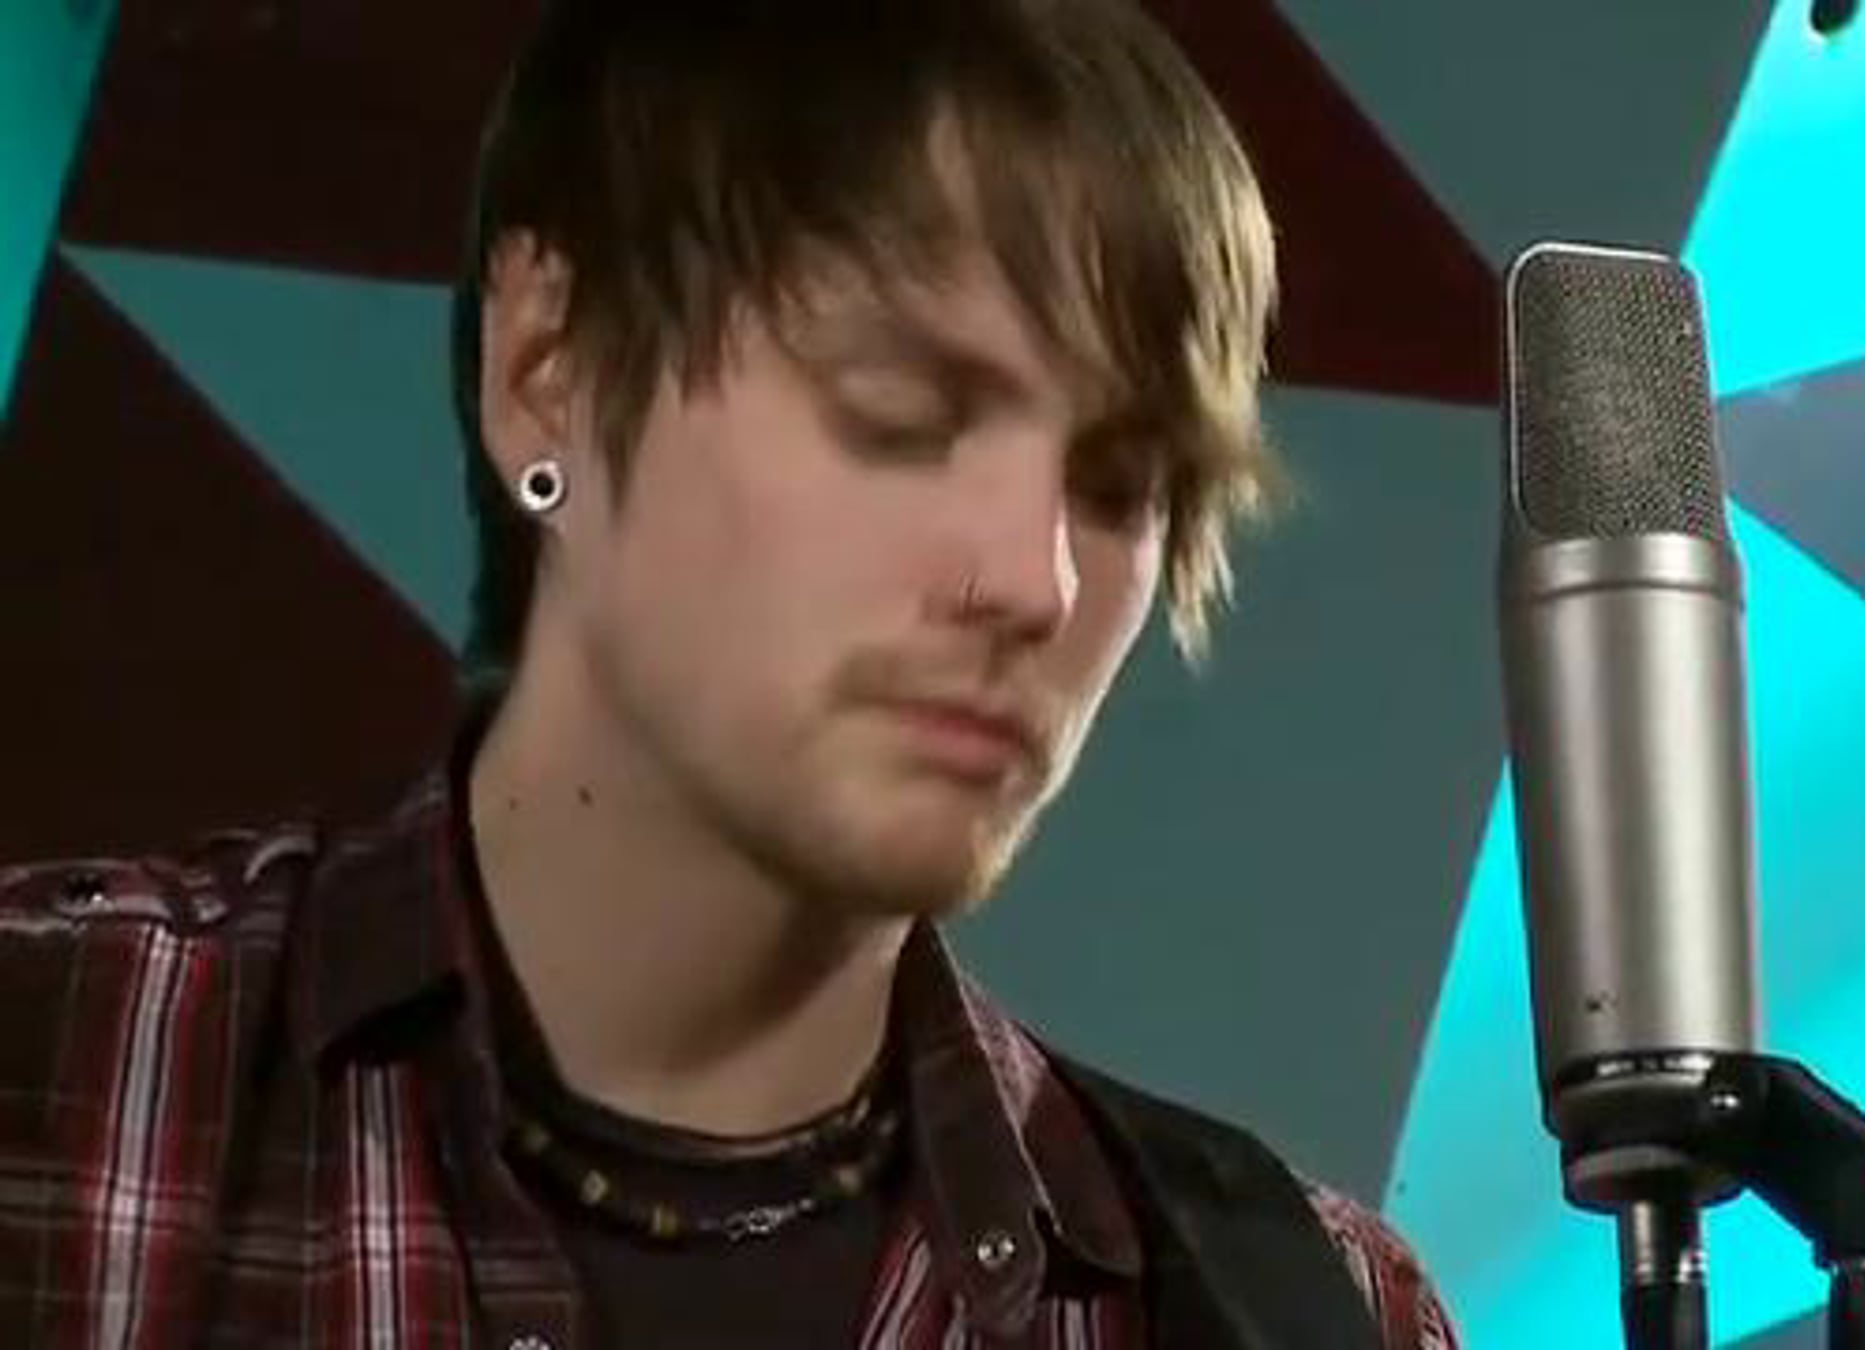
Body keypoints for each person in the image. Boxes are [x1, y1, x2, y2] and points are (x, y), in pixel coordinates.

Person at [0, 0, 1461, 1346]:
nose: (1035, 581)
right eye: (900, 411)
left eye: (1123, 482)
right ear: (547, 370)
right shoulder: (62, 1078)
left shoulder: (1311, 1309)